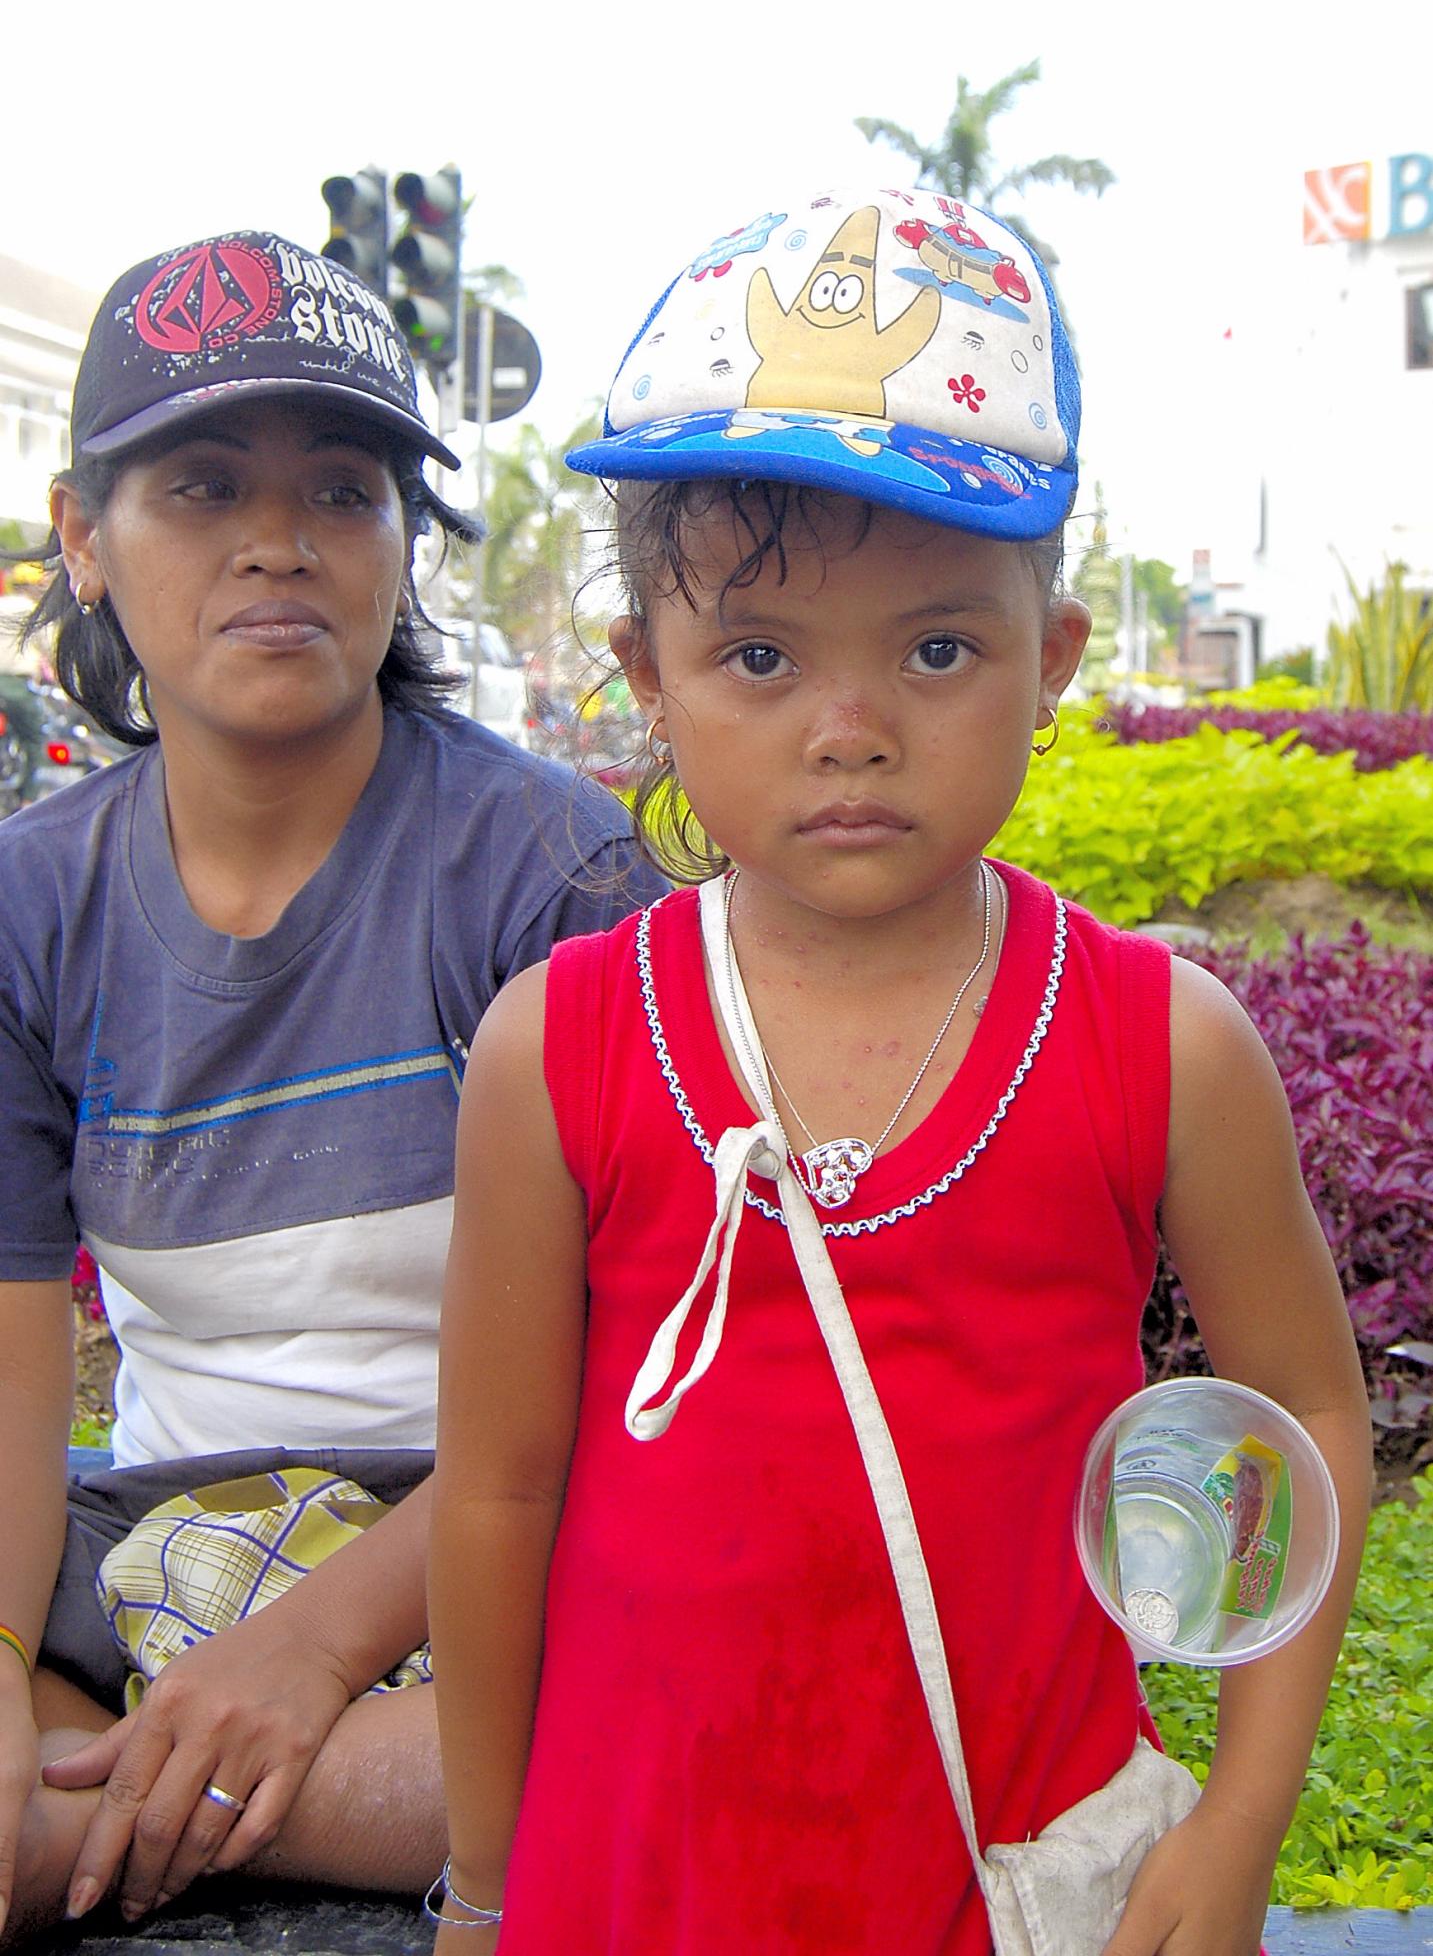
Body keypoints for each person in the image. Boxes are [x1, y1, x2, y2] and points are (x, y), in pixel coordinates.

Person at [427, 187, 1372, 1955]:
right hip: (640, 1883)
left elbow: (1308, 1417)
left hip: (1004, 1876)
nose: (849, 729)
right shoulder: (555, 1049)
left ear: (1050, 660)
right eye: (758, 657)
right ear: (647, 678)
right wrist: (485, 1886)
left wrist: (1237, 1826)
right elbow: (493, 1493)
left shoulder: (1162, 1045)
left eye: (937, 649)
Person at [0, 228, 665, 1947]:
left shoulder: (551, 877)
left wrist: (308, 1650)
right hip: (158, 1555)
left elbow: (646, 1370)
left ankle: (102, 1831)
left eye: (344, 491)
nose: (279, 542)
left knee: (694, 1689)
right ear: (84, 538)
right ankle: (208, 1799)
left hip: (505, 1545)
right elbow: (11, 1361)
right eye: (202, 486)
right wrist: (1, 1668)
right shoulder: (30, 906)